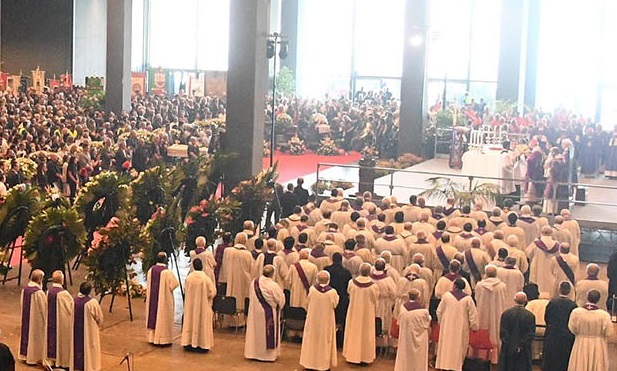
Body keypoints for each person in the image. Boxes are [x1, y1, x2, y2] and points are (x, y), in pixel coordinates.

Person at [435, 278, 479, 371]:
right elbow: (473, 314)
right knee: (460, 346)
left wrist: (441, 322)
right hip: (462, 327)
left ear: (454, 285)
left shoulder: (447, 295)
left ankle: (444, 365)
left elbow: (439, 310)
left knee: (446, 345)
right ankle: (457, 366)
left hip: (447, 326)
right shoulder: (468, 299)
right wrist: (474, 326)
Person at [299, 271, 339, 371]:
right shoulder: (332, 292)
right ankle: (323, 365)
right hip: (326, 321)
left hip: (313, 320)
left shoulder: (312, 290)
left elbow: (307, 302)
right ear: (328, 280)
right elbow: (335, 304)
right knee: (324, 341)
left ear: (317, 279)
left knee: (311, 340)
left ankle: (309, 363)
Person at [244, 265, 286, 362]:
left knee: (255, 333)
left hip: (255, 312)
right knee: (266, 334)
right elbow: (281, 300)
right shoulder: (273, 285)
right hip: (269, 313)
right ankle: (268, 356)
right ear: (272, 274)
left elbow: (251, 296)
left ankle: (253, 353)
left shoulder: (254, 282)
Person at [567, 289, 613, 371]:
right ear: (598, 299)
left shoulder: (576, 312)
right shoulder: (604, 315)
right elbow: (609, 332)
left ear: (587, 297)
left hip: (581, 342)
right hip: (597, 344)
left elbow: (572, 328)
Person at [342, 263, 379, 365]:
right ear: (369, 272)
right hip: (367, 313)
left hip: (354, 312)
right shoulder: (373, 286)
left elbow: (349, 292)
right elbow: (375, 298)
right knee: (366, 333)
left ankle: (351, 355)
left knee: (353, 331)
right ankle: (365, 357)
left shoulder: (352, 283)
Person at [182, 259, 216, 353]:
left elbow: (185, 289)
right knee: (202, 323)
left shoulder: (189, 278)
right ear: (202, 266)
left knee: (190, 321)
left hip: (191, 306)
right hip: (202, 306)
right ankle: (202, 344)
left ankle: (188, 342)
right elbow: (212, 292)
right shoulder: (206, 279)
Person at [475, 265, 508, 364]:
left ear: (486, 274)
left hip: (482, 313)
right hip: (497, 312)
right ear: (496, 274)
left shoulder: (479, 285)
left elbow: (476, 298)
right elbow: (504, 299)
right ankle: (495, 358)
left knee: (482, 332)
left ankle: (480, 357)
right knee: (495, 333)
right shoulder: (502, 286)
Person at [146, 252, 180, 345]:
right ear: (165, 259)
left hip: (153, 300)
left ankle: (152, 338)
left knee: (153, 315)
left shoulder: (151, 270)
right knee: (163, 317)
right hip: (164, 300)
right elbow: (174, 284)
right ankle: (163, 340)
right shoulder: (167, 272)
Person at [542, 281, 577, 371]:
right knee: (564, 359)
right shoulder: (573, 305)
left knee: (551, 359)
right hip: (567, 335)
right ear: (569, 291)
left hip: (552, 334)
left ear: (559, 290)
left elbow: (547, 317)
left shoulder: (552, 303)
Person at [394, 289, 431, 371]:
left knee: (406, 356)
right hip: (420, 339)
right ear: (418, 298)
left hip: (406, 337)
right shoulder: (423, 311)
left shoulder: (403, 308)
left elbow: (399, 322)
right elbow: (427, 323)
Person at [221, 233, 253, 326]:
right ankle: (240, 321)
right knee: (241, 300)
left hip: (231, 278)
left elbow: (225, 265)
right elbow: (251, 269)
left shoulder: (228, 251)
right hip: (243, 281)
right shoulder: (247, 254)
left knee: (231, 296)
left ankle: (230, 320)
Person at [498, 292, 536, 371]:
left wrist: (511, 345)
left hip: (508, 349)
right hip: (524, 351)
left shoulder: (506, 314)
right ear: (526, 301)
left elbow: (503, 332)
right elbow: (530, 334)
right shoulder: (530, 316)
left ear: (514, 300)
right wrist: (520, 345)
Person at [71, 281, 104, 371]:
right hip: (89, 331)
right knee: (90, 348)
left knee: (77, 346)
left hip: (76, 332)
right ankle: (90, 367)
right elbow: (99, 317)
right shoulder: (92, 303)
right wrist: (99, 325)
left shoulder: (73, 301)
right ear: (89, 291)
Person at [324, 252, 352, 347]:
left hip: (328, 297)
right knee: (340, 320)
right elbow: (348, 287)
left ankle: (326, 338)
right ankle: (340, 341)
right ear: (341, 260)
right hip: (342, 299)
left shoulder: (327, 270)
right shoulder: (346, 272)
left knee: (328, 318)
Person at [19, 269, 47, 365]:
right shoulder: (39, 292)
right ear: (40, 280)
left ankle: (26, 355)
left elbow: (22, 303)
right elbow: (44, 308)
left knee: (28, 335)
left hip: (27, 317)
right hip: (36, 319)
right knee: (35, 337)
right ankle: (34, 358)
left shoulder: (25, 289)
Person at [47, 270, 73, 368]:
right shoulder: (64, 294)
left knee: (52, 340)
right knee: (62, 342)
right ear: (62, 280)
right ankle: (63, 362)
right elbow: (70, 308)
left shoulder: (49, 291)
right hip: (62, 323)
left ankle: (52, 361)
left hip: (51, 322)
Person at [526, 226, 560, 294]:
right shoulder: (556, 245)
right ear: (551, 233)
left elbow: (528, 253)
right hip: (551, 269)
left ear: (542, 232)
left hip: (538, 268)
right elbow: (559, 257)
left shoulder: (536, 243)